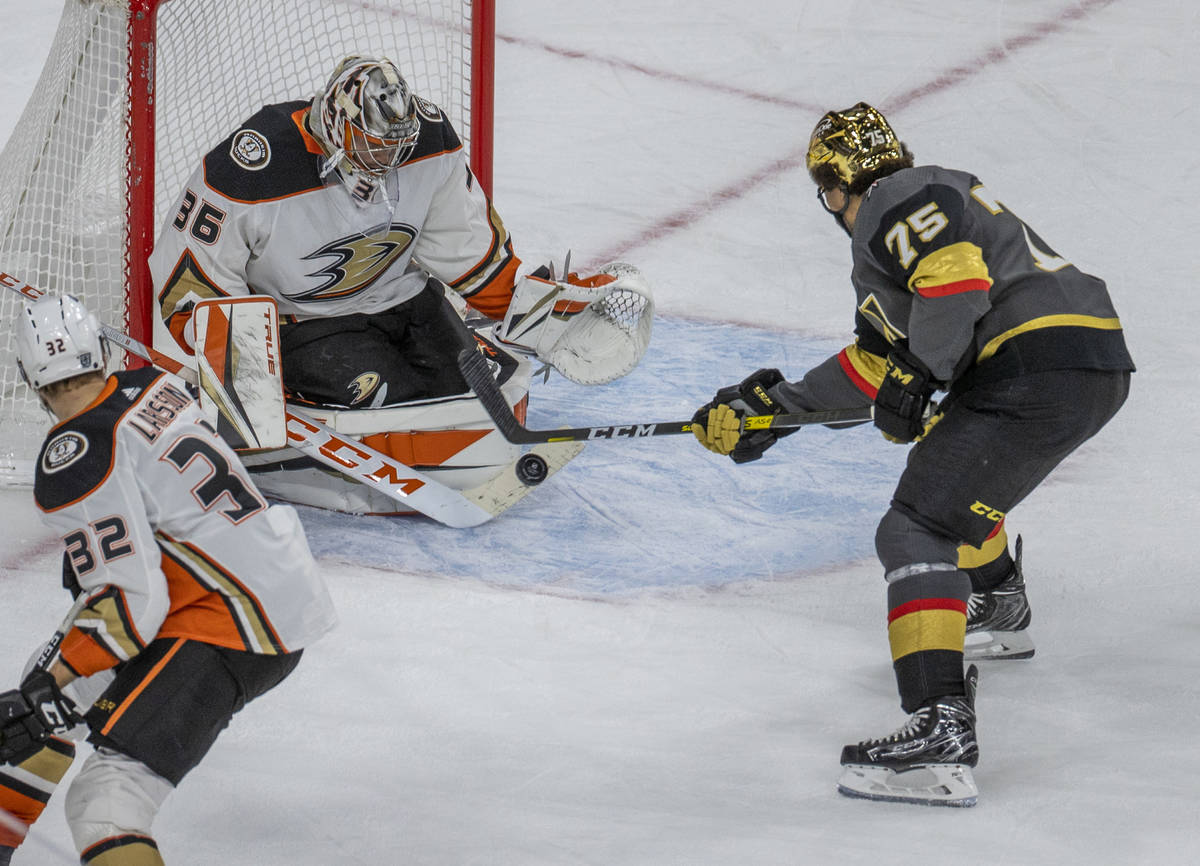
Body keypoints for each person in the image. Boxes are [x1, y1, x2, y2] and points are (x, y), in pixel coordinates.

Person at [690, 102, 1133, 806]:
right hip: (1088, 361)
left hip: (1030, 364)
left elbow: (954, 288)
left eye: (827, 191)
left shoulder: (896, 197)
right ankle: (996, 603)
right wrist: (772, 412)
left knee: (914, 528)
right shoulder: (910, 226)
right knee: (948, 481)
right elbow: (878, 364)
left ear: (836, 186)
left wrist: (922, 375)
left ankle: (938, 730)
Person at [0, 294, 337, 863]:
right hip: (265, 581)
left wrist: (44, 694)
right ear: (102, 354)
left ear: (28, 378)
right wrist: (49, 686)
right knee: (47, 688)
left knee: (107, 799)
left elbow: (132, 600)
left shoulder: (75, 450)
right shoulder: (153, 385)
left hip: (231, 621)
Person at [149, 53, 651, 410]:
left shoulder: (428, 143)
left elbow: (468, 250)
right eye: (374, 146)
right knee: (393, 403)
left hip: (404, 300)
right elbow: (190, 280)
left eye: (396, 147)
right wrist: (248, 376)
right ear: (337, 126)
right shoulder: (254, 165)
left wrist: (538, 313)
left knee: (473, 398)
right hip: (305, 322)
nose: (388, 160)